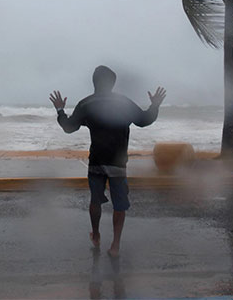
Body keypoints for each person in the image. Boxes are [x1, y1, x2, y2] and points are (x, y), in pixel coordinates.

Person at [50, 65, 166, 257]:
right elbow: (144, 120)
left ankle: (95, 235)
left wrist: (60, 110)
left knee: (95, 201)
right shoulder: (124, 103)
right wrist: (155, 105)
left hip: (96, 161)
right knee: (119, 204)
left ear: (94, 82)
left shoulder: (86, 104)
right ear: (113, 83)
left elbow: (69, 127)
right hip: (118, 163)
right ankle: (115, 245)